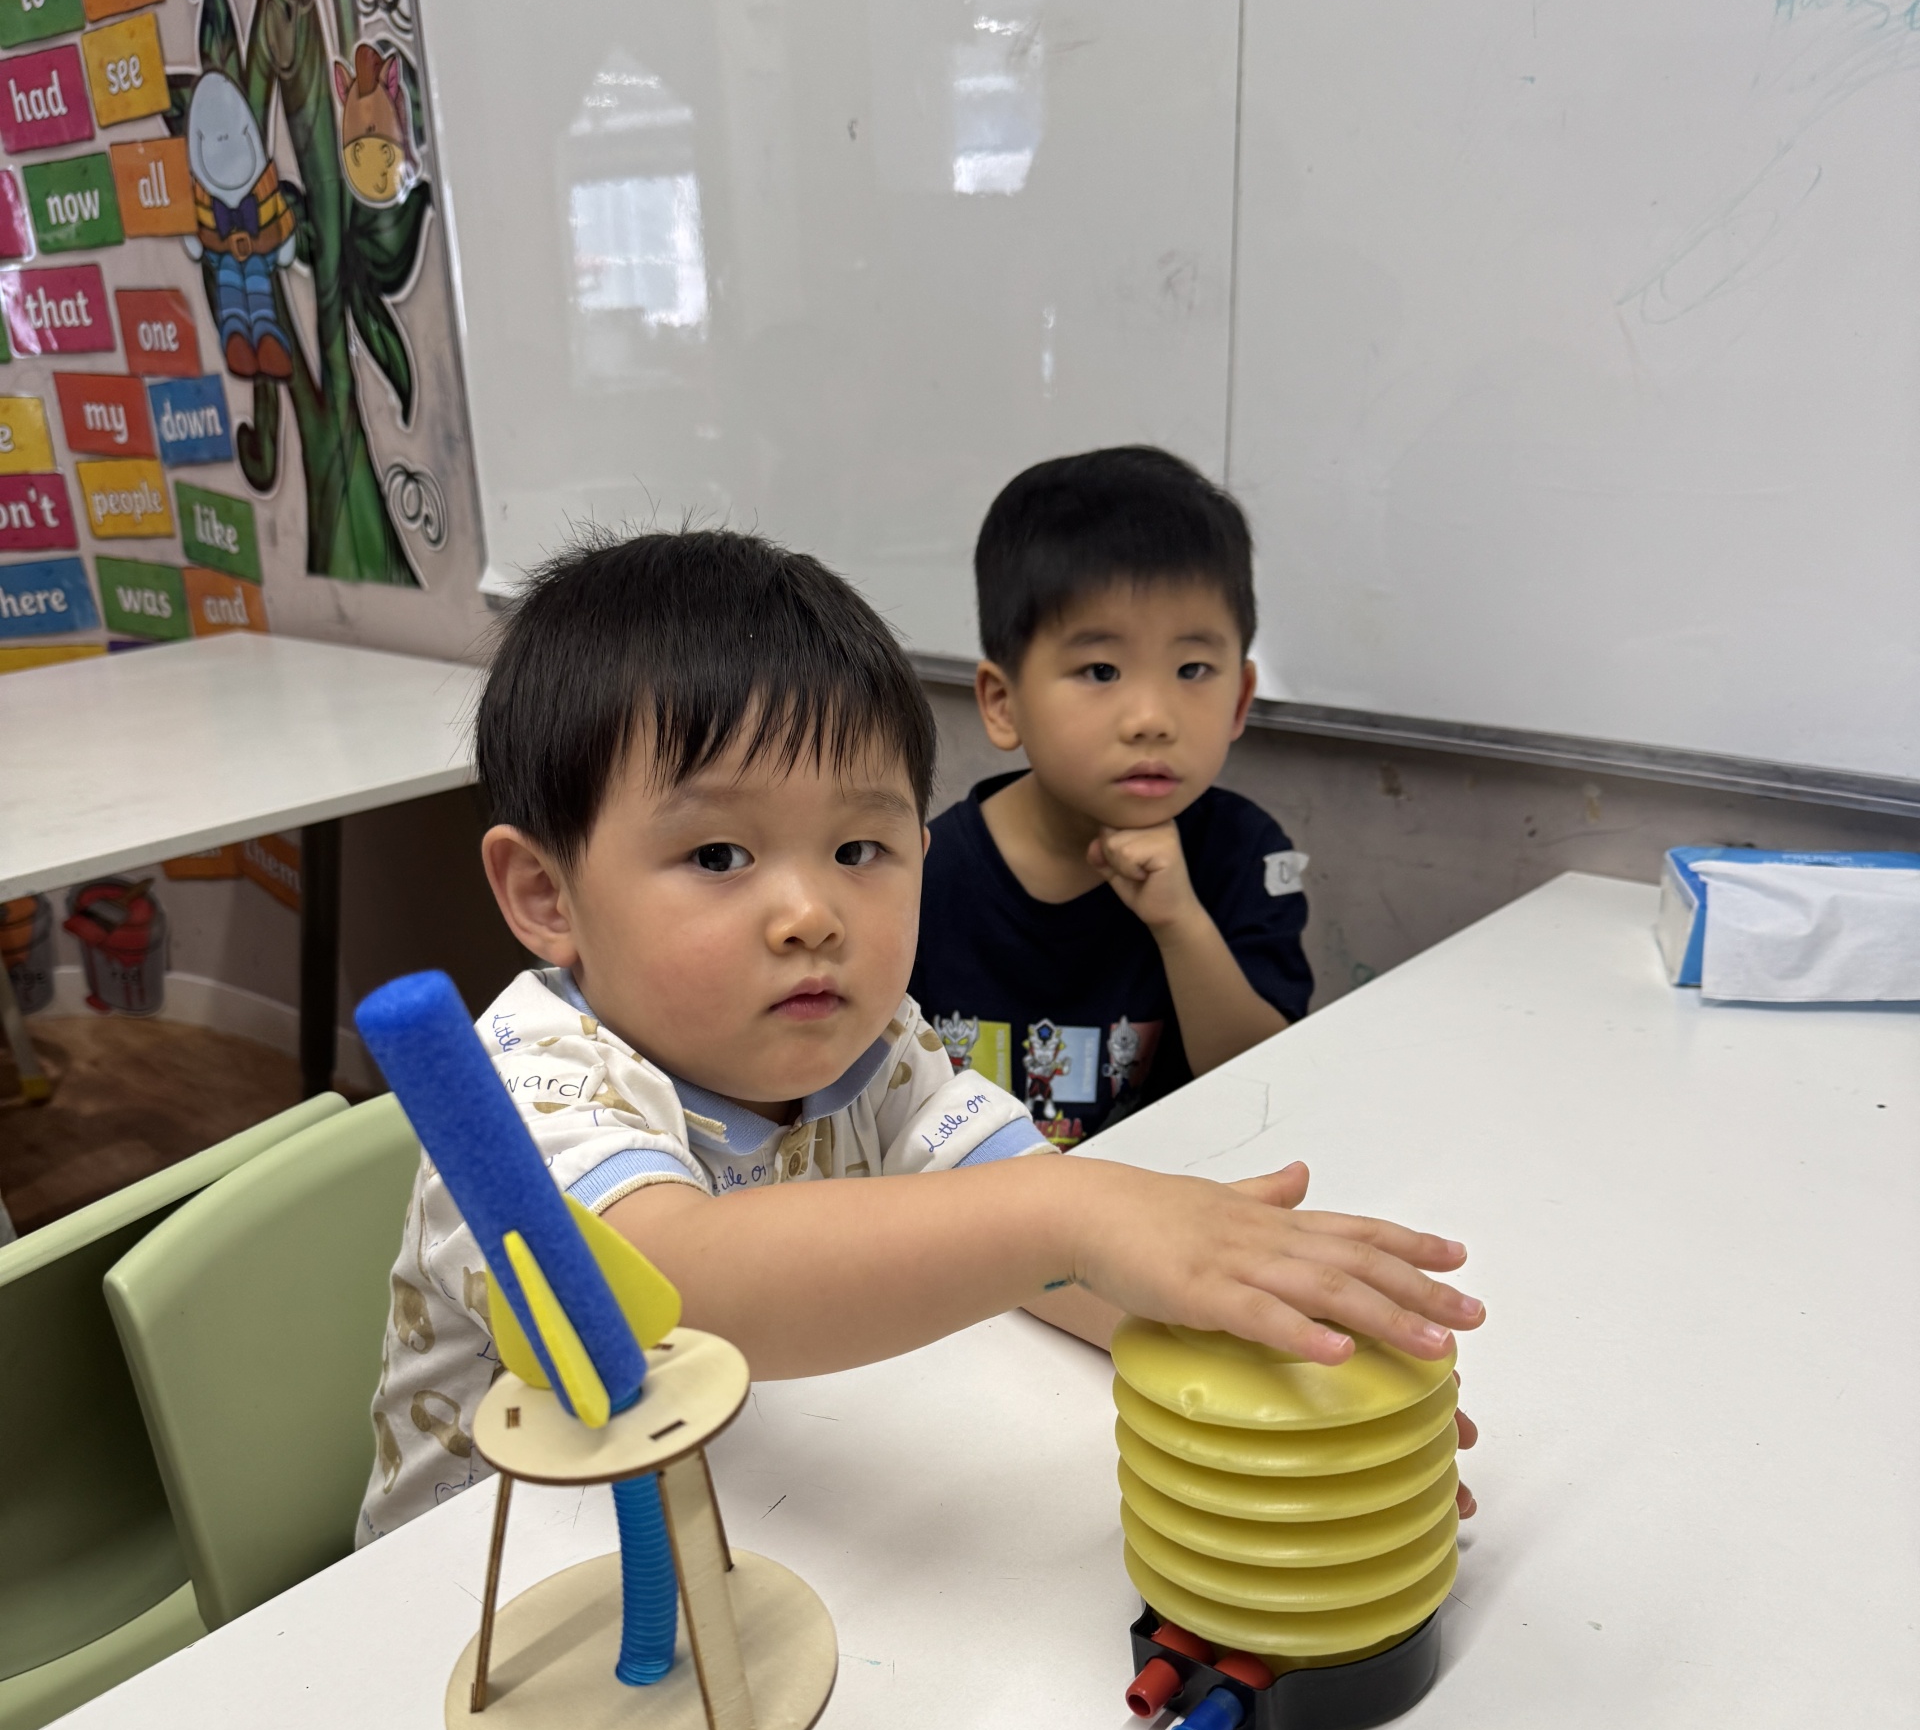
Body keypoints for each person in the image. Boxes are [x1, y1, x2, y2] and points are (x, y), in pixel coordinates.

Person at [359, 528, 1481, 1541]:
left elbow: (1041, 1244)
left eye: (860, 851)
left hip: (735, 1526)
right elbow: (672, 1289)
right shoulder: (525, 1078)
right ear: (547, 894)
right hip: (472, 1595)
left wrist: (1252, 1358)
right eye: (718, 856)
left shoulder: (876, 1046)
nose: (813, 915)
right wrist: (1077, 1213)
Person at [912, 446, 1307, 1144]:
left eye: (1193, 668)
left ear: (1241, 697)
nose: (1151, 718)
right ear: (1003, 702)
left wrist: (1179, 922)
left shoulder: (1243, 854)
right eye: (1101, 670)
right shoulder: (921, 876)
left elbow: (1262, 1083)